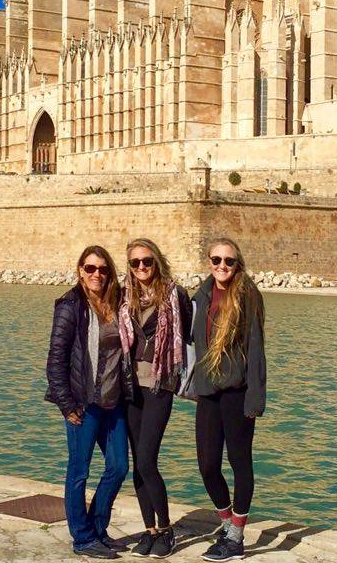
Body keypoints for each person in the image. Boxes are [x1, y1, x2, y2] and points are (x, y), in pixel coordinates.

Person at [45, 245, 132, 559]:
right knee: (78, 471)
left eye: (103, 269)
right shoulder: (70, 305)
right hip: (82, 403)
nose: (97, 274)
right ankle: (82, 538)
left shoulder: (117, 303)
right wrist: (67, 405)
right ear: (81, 270)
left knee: (119, 466)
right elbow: (56, 359)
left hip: (113, 403)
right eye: (91, 268)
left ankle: (97, 526)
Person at [191, 238, 266, 562]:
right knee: (207, 466)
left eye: (229, 261)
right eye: (216, 259)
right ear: (209, 261)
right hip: (208, 392)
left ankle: (236, 538)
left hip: (237, 394)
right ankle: (227, 525)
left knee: (240, 464)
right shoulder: (202, 295)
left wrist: (255, 399)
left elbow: (256, 349)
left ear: (238, 264)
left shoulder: (248, 296)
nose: (222, 266)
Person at [118, 238, 192, 558]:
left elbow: (190, 337)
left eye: (147, 261)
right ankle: (149, 531)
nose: (142, 268)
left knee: (148, 458)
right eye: (135, 263)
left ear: (157, 261)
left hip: (159, 386)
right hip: (130, 387)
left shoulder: (175, 295)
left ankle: (166, 529)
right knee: (138, 463)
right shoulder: (124, 297)